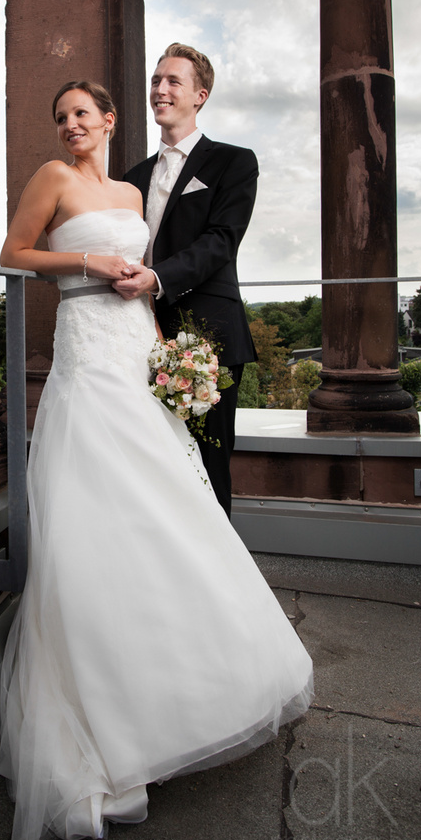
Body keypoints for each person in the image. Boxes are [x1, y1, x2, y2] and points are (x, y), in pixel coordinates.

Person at [0, 80, 313, 840]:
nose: (71, 124)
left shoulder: (133, 191)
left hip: (137, 344)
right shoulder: (54, 178)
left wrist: (144, 294)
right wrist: (87, 259)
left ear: (109, 121)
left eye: (84, 114)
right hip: (84, 347)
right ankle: (105, 707)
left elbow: (166, 264)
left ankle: (188, 685)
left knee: (169, 499)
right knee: (95, 502)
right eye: (61, 114)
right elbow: (13, 253)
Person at [116, 44, 257, 517]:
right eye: (156, 80)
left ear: (201, 95)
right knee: (153, 461)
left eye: (173, 81)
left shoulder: (234, 163)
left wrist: (156, 277)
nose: (160, 89)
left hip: (208, 332)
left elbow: (221, 241)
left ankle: (220, 581)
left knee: (208, 462)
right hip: (137, 332)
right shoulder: (132, 177)